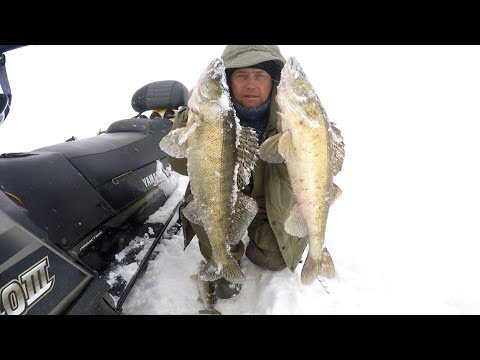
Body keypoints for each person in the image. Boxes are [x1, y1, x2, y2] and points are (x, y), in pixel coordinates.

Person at [168, 45, 313, 299]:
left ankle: (255, 238)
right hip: (219, 194)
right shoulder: (204, 116)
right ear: (228, 81)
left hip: (268, 198)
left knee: (273, 257)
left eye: (260, 76)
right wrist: (187, 119)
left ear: (274, 82)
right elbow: (179, 165)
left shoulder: (293, 117)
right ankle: (225, 255)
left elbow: (308, 173)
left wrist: (289, 137)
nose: (251, 85)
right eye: (241, 76)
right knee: (205, 216)